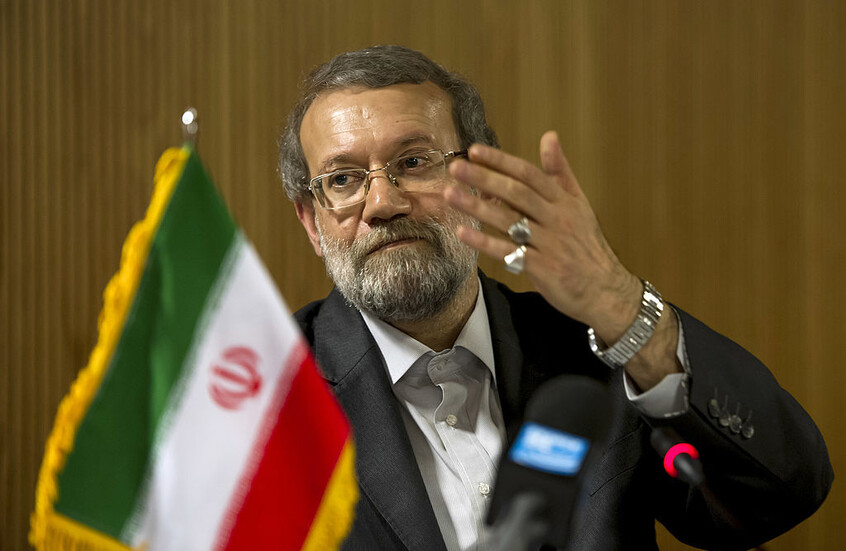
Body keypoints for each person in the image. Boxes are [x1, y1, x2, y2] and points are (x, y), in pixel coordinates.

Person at [278, 45, 832, 551]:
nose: (382, 203)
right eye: (343, 179)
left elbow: (780, 494)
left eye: (414, 163)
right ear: (311, 221)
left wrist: (622, 305)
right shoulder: (270, 403)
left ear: (480, 180)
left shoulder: (595, 354)